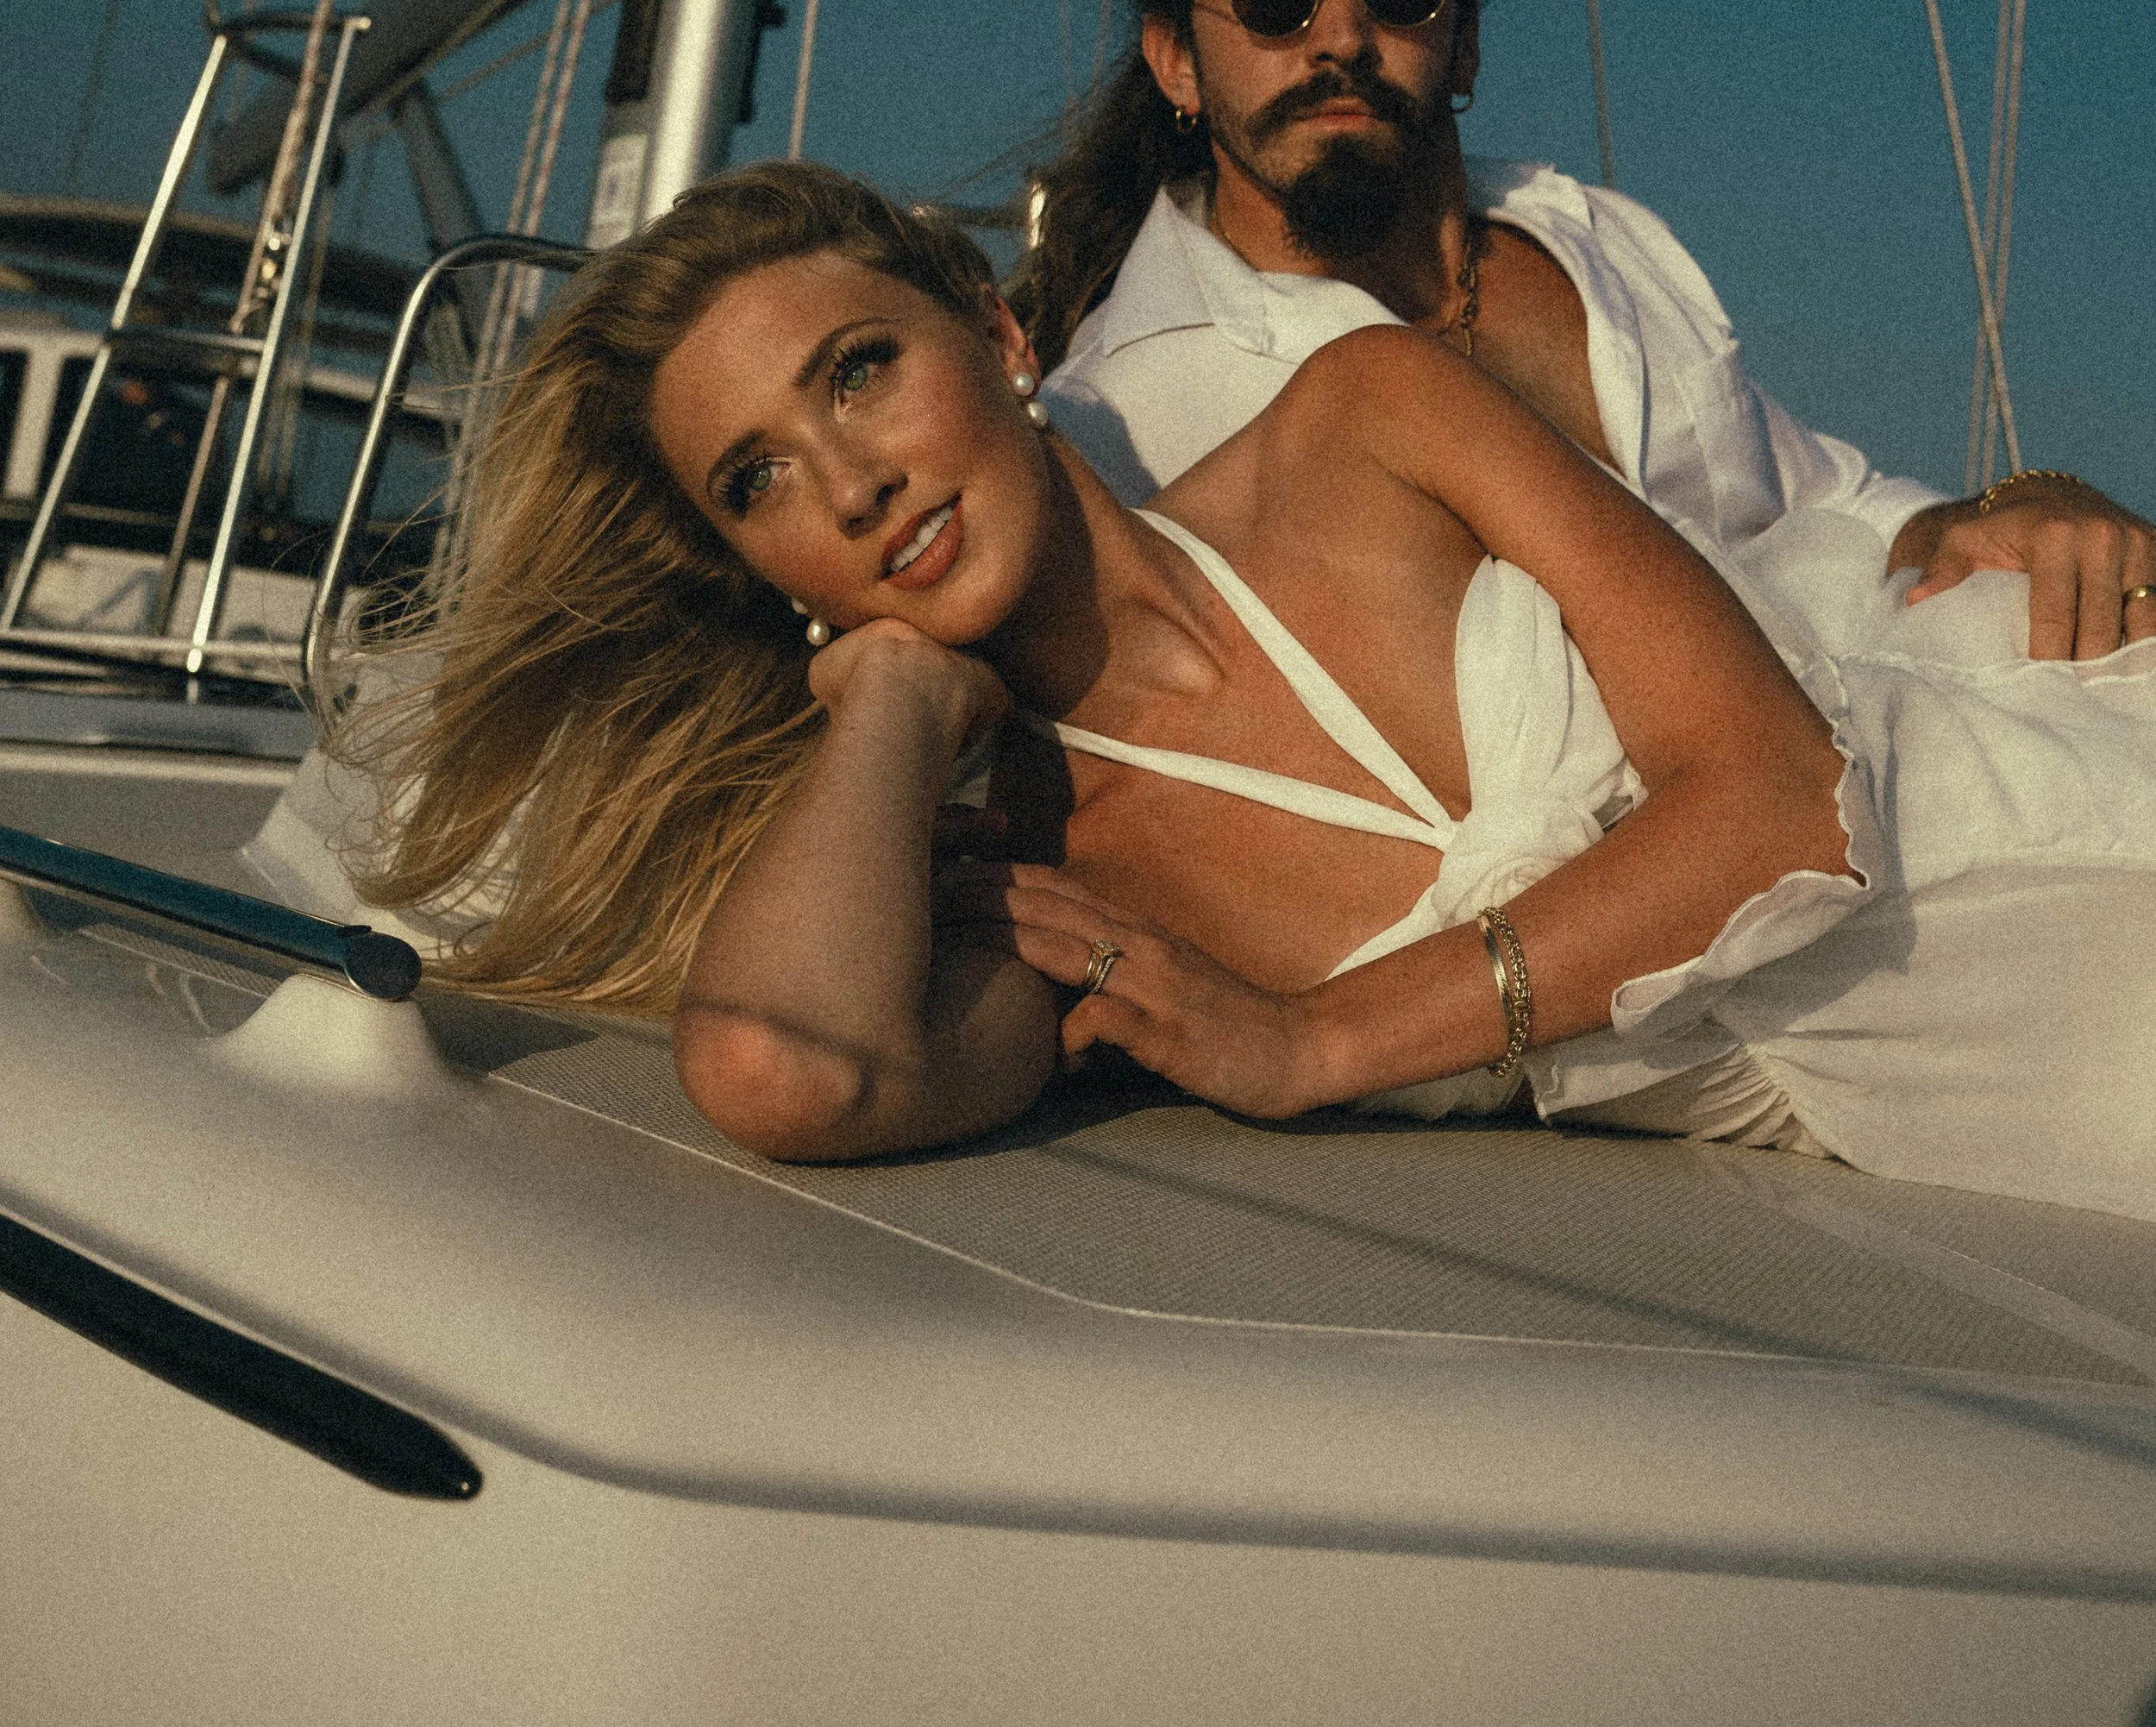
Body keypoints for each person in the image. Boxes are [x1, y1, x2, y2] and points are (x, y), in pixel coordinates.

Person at [348, 162, 2156, 1221]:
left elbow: (1783, 805)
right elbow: (781, 1065)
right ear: (760, 568)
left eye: (859, 372)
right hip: (1961, 1095)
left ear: (998, 332)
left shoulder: (1366, 421)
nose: (849, 481)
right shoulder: (1058, 888)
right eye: (756, 482)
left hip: (2032, 802)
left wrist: (1319, 1042)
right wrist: (888, 707)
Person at [1018, 0, 2154, 663]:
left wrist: (2024, 503)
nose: (1342, 34)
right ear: (1176, 61)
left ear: (1464, 40)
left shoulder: (1592, 243)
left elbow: (1827, 509)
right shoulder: (1118, 433)